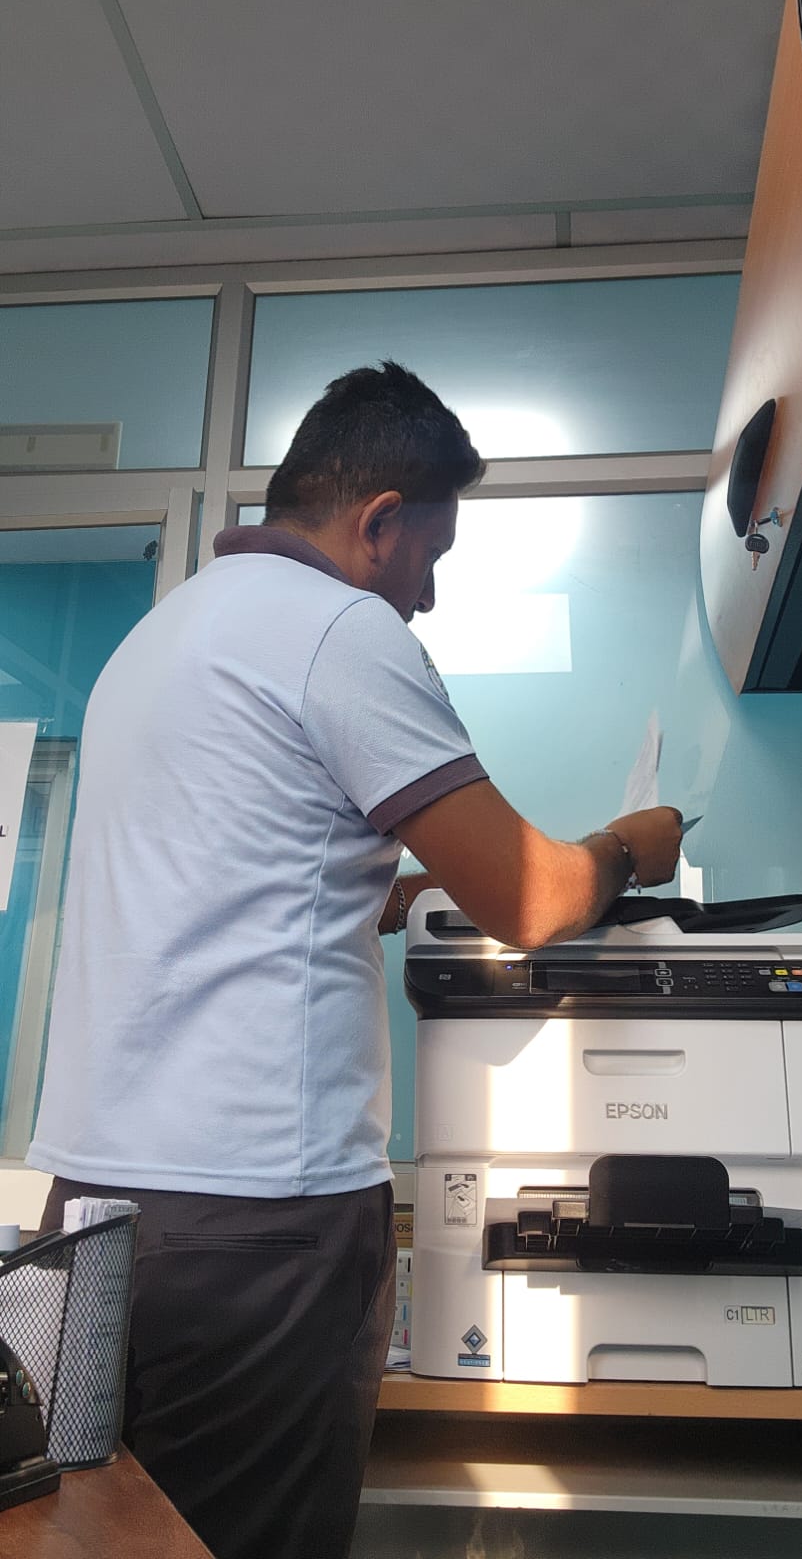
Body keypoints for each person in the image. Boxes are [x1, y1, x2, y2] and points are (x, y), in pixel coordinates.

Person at [28, 361, 682, 1559]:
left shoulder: (161, 636)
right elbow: (533, 898)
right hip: (258, 1222)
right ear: (379, 519)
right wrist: (629, 847)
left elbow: (228, 875)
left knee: (111, 1538)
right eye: (431, 553)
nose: (426, 594)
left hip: (98, 1208)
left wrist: (395, 895)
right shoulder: (338, 627)